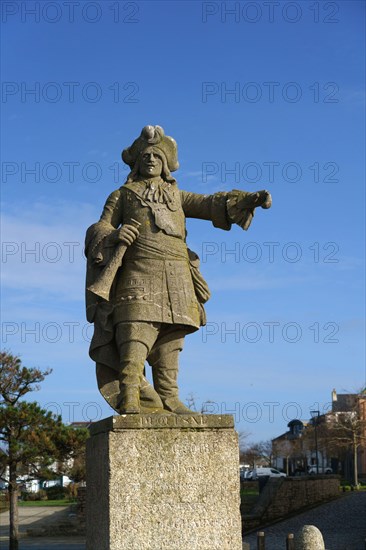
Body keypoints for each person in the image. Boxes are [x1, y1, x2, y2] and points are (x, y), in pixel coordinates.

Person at [85, 125, 271, 415]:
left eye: (156, 157)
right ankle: (130, 396)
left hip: (177, 274)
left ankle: (170, 397)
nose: (150, 160)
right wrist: (113, 236)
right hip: (138, 271)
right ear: (136, 162)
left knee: (172, 340)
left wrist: (245, 200)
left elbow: (209, 204)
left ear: (165, 164)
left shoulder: (177, 196)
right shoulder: (122, 195)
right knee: (135, 333)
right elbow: (101, 226)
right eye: (145, 156)